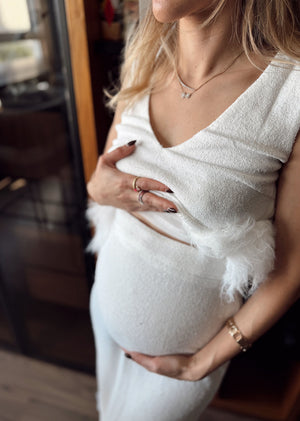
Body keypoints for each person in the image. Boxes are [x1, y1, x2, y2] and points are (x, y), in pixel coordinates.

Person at [85, 1, 300, 420]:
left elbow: (292, 268)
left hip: (185, 362)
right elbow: (101, 185)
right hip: (104, 316)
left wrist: (203, 363)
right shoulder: (145, 59)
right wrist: (97, 187)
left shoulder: (290, 91)